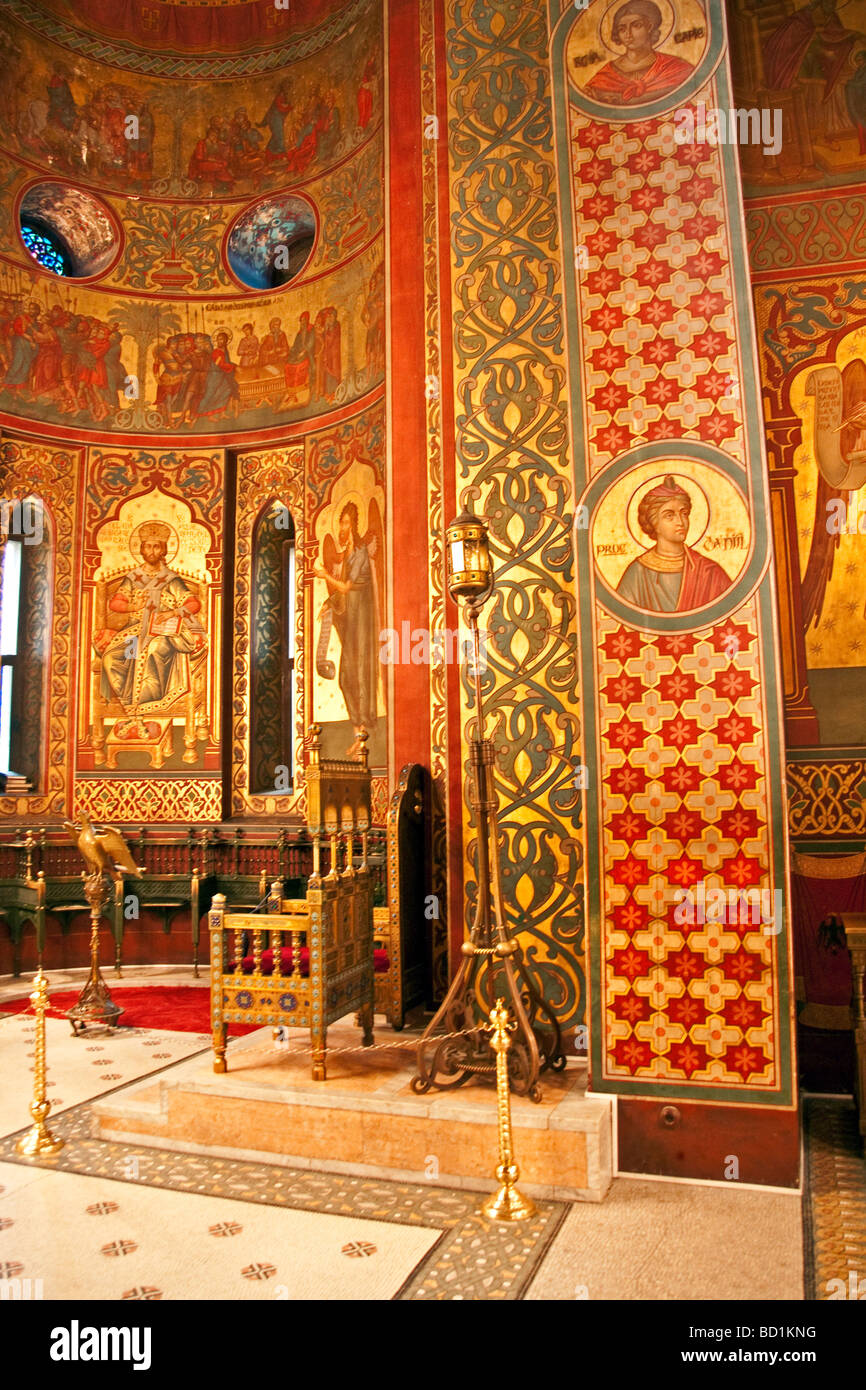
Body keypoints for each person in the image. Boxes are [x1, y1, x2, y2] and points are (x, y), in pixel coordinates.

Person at [94, 522, 206, 721]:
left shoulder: (171, 579)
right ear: (141, 549)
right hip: (135, 633)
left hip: (163, 633)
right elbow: (115, 603)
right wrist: (133, 607)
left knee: (153, 651)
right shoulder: (133, 577)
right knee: (114, 657)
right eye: (147, 546)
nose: (151, 551)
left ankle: (148, 707)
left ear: (163, 550)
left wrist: (172, 613)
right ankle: (131, 706)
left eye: (156, 546)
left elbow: (193, 604)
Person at [313, 503, 379, 758]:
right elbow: (341, 593)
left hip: (361, 626)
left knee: (358, 677)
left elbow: (347, 587)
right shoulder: (347, 554)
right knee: (345, 679)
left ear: (353, 526)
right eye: (340, 523)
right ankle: (357, 735)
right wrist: (328, 603)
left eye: (346, 524)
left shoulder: (360, 553)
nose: (342, 529)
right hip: (351, 623)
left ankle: (362, 737)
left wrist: (323, 576)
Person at [616, 476, 731, 612]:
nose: (680, 522)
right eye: (669, 515)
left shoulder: (710, 572)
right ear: (654, 523)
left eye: (684, 513)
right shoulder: (637, 573)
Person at [583, 0, 694, 106]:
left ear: (650, 27)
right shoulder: (605, 76)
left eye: (636, 26)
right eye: (622, 29)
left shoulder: (675, 68)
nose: (628, 34)